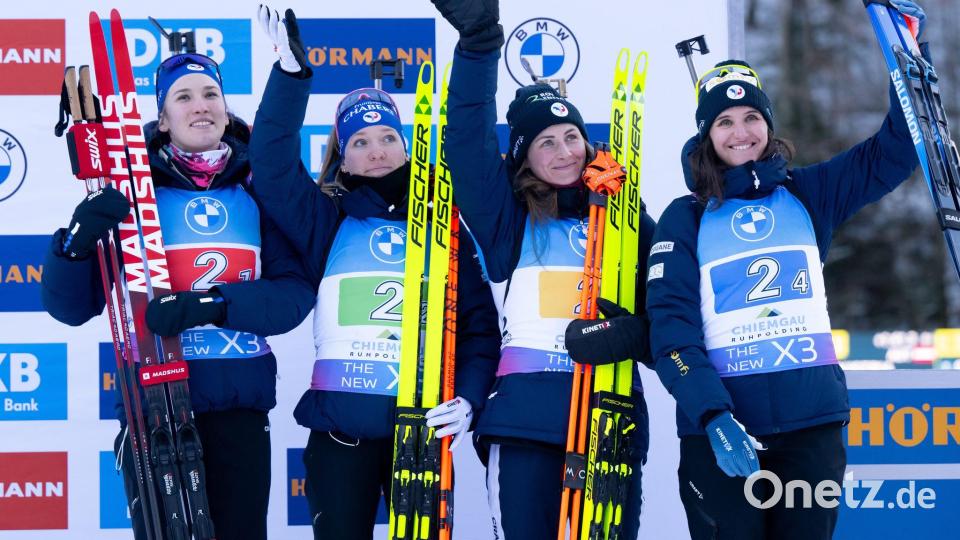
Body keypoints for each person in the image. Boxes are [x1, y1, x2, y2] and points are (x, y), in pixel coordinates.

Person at [646, 2, 926, 539]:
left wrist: (906, 52)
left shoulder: (808, 194)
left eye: (752, 117)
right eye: (724, 122)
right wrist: (711, 416)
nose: (740, 132)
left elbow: (896, 148)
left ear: (768, 124)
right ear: (707, 135)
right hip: (723, 435)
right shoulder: (686, 218)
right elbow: (671, 332)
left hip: (811, 432)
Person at [41, 51, 315, 540]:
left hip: (239, 406)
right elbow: (71, 308)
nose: (200, 106)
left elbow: (292, 296)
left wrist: (213, 304)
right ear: (163, 120)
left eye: (211, 94)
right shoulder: (131, 193)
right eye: (183, 97)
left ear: (227, 111)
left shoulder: (260, 190)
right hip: (154, 404)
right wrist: (75, 245)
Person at [251, 7, 501, 539]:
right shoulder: (325, 220)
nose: (376, 151)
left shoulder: (442, 225)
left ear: (405, 144)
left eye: (387, 136)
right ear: (342, 156)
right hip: (340, 432)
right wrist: (291, 78)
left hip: (421, 428)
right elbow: (271, 169)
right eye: (359, 142)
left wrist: (472, 398)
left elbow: (480, 328)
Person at [430, 1, 656, 538]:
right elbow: (464, 143)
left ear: (588, 139)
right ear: (523, 157)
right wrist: (480, 45)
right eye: (544, 142)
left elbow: (665, 314)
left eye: (571, 137)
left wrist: (628, 333)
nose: (563, 152)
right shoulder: (508, 220)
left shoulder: (625, 213)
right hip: (524, 420)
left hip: (610, 417)